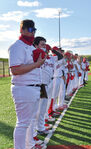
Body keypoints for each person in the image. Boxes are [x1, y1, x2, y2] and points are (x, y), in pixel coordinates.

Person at [9, 19, 46, 149]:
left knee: (30, 121)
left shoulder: (31, 47)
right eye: (30, 29)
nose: (32, 32)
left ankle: (29, 145)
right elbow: (15, 70)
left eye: (34, 30)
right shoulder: (17, 46)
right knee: (23, 123)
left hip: (34, 87)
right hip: (23, 88)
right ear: (22, 30)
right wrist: (37, 64)